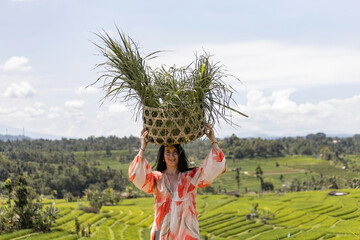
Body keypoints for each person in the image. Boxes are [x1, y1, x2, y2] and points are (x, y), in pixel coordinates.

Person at [129, 125, 226, 240]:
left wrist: (213, 141)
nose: (171, 155)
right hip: (161, 233)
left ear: (180, 154)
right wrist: (142, 148)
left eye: (175, 152)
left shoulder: (191, 177)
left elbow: (216, 167)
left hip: (187, 233)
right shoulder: (156, 178)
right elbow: (136, 175)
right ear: (163, 156)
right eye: (168, 152)